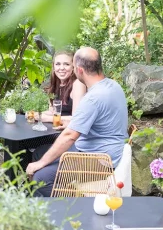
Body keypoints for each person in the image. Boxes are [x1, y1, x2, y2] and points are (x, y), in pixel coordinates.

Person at [25, 47, 128, 197]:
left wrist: (40, 164)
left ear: (79, 70)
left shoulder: (94, 98)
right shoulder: (113, 86)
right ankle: (46, 199)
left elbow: (70, 135)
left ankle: (72, 210)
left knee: (40, 179)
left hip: (99, 160)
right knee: (40, 153)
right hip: (101, 151)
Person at [40, 50, 86, 126]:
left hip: (73, 132)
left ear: (73, 67)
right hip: (56, 128)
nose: (61, 68)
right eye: (58, 64)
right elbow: (52, 112)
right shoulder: (53, 85)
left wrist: (46, 118)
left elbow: (77, 118)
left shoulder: (78, 83)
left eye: (66, 64)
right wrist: (37, 114)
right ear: (53, 67)